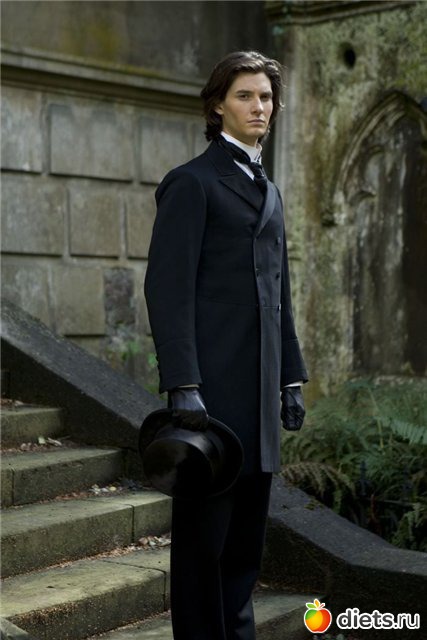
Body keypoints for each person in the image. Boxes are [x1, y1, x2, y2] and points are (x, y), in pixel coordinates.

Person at [144, 50, 308, 640]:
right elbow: (167, 289)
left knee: (244, 551)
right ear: (218, 106)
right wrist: (182, 384)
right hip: (210, 400)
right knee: (203, 549)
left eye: (266, 96)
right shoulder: (191, 183)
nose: (259, 106)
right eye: (245, 95)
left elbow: (278, 291)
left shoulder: (270, 190)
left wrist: (291, 378)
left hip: (260, 395)